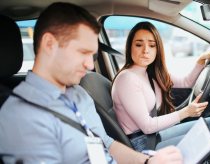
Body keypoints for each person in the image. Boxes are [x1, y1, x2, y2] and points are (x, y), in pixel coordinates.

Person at [0, 3, 183, 164]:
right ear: (50, 44)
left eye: (92, 54)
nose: (89, 64)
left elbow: (108, 145)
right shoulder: (21, 117)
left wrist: (147, 161)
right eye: (83, 52)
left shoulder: (79, 94)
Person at [111, 22, 210, 163]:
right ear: (130, 46)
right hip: (142, 146)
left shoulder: (149, 72)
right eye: (138, 44)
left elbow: (186, 82)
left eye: (151, 45)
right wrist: (186, 112)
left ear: (157, 49)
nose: (145, 50)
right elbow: (148, 126)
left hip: (152, 136)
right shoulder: (127, 79)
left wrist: (200, 61)